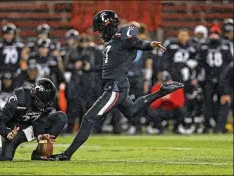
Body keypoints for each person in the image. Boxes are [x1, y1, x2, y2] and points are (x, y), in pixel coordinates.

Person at [46, 10, 183, 161]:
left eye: (101, 29)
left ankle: (66, 155)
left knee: (88, 118)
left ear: (109, 25)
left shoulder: (124, 34)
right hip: (116, 85)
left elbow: (135, 42)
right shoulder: (115, 40)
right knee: (131, 111)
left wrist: (149, 45)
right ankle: (160, 92)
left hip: (115, 87)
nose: (100, 33)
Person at [0, 78, 67, 161]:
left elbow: (41, 120)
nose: (45, 106)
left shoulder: (47, 101)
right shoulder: (18, 98)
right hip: (15, 129)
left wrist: (40, 135)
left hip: (31, 126)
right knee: (4, 157)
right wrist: (7, 133)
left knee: (60, 117)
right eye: (43, 103)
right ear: (35, 95)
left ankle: (39, 154)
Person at [197, 26, 233, 133]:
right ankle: (208, 125)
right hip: (208, 79)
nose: (214, 35)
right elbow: (200, 63)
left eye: (216, 33)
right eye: (212, 33)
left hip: (222, 79)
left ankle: (219, 126)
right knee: (208, 103)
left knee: (222, 102)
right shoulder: (204, 46)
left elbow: (229, 64)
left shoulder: (224, 45)